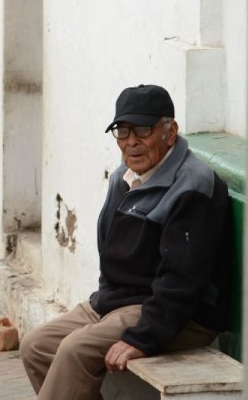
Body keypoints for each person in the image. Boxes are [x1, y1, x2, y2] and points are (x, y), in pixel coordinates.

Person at [19, 84, 231, 399]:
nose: (131, 142)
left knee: (75, 350)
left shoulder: (193, 186)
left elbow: (182, 283)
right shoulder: (124, 177)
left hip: (177, 314)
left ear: (169, 132)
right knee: (37, 346)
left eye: (143, 130)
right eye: (122, 131)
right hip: (120, 302)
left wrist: (143, 338)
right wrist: (103, 305)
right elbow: (110, 252)